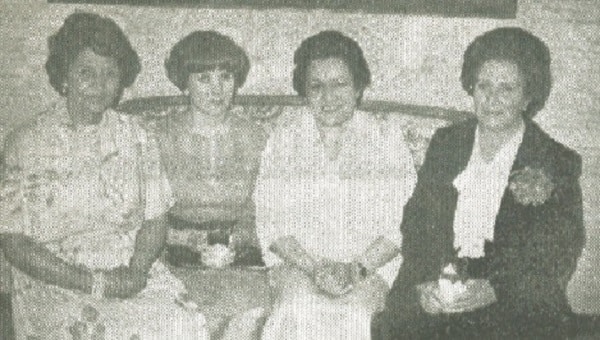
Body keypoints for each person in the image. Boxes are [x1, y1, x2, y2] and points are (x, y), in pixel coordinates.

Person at [0, 12, 209, 339]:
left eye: (110, 73)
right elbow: (13, 242)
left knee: (179, 322)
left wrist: (137, 271)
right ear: (64, 75)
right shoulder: (26, 143)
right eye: (86, 72)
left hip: (127, 270)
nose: (99, 85)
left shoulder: (138, 136)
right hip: (55, 278)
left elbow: (155, 219)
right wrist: (93, 282)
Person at [373, 27, 586, 339]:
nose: (492, 99)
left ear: (528, 96)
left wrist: (495, 289)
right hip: (440, 276)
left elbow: (562, 249)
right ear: (471, 87)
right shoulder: (447, 143)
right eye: (483, 85)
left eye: (507, 89)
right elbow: (417, 220)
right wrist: (423, 283)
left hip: (514, 289)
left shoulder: (555, 160)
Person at [254, 30, 418, 340]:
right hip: (300, 268)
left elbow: (403, 224)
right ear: (304, 91)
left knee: (354, 315)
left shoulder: (386, 140)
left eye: (340, 84)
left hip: (367, 270)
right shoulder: (285, 140)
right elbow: (270, 222)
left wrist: (355, 269)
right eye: (316, 86)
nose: (328, 97)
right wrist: (314, 268)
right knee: (298, 309)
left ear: (358, 87)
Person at [158, 31, 268, 268]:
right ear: (184, 83)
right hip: (175, 245)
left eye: (226, 77)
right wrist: (187, 239)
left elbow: (270, 208)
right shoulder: (162, 136)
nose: (217, 90)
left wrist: (235, 241)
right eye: (204, 78)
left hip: (244, 244)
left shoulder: (255, 136)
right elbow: (143, 214)